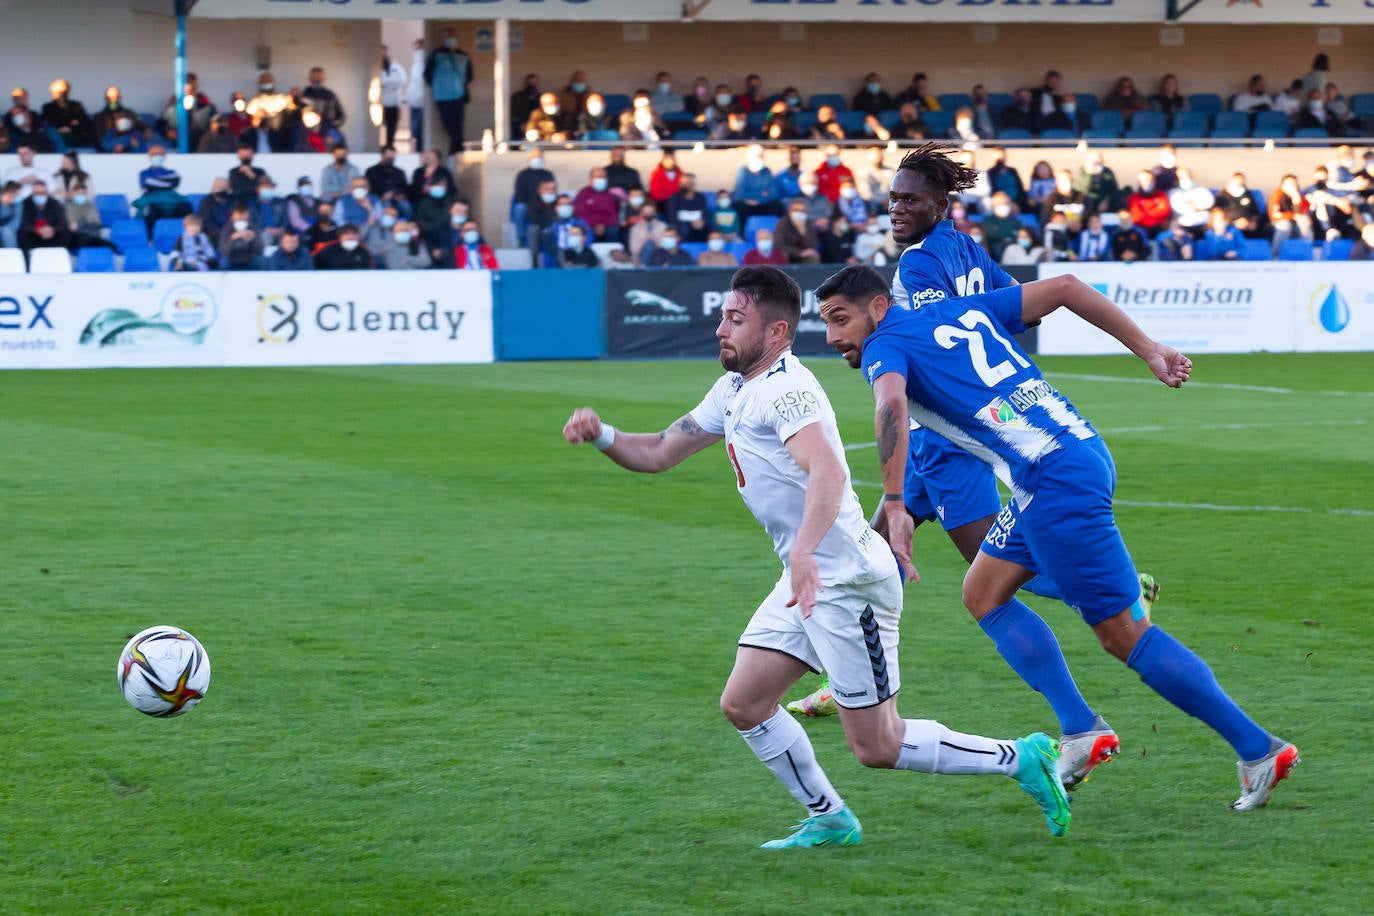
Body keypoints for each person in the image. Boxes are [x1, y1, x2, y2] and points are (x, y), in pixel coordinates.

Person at [563, 265, 1072, 847]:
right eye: (722, 317)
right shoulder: (735, 387)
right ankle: (830, 818)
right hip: (810, 577)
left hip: (846, 581)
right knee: (746, 703)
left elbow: (829, 469)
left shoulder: (788, 391)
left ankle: (1022, 758)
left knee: (876, 746)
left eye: (735, 319)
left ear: (776, 331)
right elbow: (657, 450)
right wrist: (603, 434)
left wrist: (804, 552)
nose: (720, 329)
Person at [821, 257, 1301, 811]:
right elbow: (1068, 287)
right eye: (827, 324)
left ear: (879, 308)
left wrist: (899, 503)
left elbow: (892, 404)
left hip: (1053, 479)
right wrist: (1149, 348)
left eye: (841, 320)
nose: (834, 336)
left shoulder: (884, 346)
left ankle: (1257, 748)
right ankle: (1080, 728)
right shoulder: (958, 311)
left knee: (1124, 635)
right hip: (1071, 456)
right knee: (983, 592)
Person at [797, 148, 1148, 792]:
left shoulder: (920, 262)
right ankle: (838, 680)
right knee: (870, 551)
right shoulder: (964, 247)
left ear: (941, 203)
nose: (898, 208)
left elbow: (942, 333)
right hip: (951, 427)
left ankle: (1103, 607)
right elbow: (1001, 315)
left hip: (944, 439)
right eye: (894, 198)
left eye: (910, 199)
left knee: (985, 581)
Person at [425, 28, 474, 154]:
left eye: (452, 36)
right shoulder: (436, 54)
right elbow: (427, 75)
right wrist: (439, 86)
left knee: (458, 127)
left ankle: (456, 152)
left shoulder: (463, 55)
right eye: (448, 36)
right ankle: (456, 151)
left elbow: (469, 76)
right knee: (448, 125)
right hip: (442, 96)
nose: (450, 39)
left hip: (459, 95)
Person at [42, 79, 95, 151]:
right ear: (53, 93)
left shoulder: (76, 105)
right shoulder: (48, 107)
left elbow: (84, 122)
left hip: (75, 135)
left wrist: (70, 128)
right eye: (59, 92)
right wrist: (63, 128)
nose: (62, 95)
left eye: (64, 92)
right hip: (57, 135)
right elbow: (49, 122)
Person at [19, 181, 69, 253]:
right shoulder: (25, 203)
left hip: (51, 233)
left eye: (43, 193)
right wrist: (37, 230)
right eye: (37, 193)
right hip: (33, 233)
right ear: (32, 193)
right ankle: (27, 260)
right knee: (22, 235)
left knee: (65, 233)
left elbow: (62, 221)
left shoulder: (55, 203)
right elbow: (22, 222)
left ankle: (60, 257)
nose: (40, 195)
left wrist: (52, 230)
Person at [378, 48, 408, 149]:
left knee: (392, 125)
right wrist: (390, 83)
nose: (384, 57)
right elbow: (379, 82)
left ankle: (389, 145)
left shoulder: (397, 68)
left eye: (386, 55)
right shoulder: (377, 67)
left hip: (394, 102)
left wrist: (387, 84)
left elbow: (402, 81)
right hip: (379, 103)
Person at [218, 204, 263, 270]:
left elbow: (260, 251)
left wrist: (252, 240)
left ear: (248, 217)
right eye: (238, 218)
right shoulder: (226, 228)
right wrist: (233, 239)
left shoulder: (253, 227)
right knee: (223, 262)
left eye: (243, 218)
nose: (240, 220)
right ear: (232, 217)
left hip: (249, 258)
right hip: (232, 259)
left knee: (262, 260)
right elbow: (223, 252)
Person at [405, 38, 428, 151]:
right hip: (415, 99)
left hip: (420, 99)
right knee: (415, 128)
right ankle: (418, 147)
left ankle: (419, 149)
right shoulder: (417, 63)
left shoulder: (421, 62)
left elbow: (418, 80)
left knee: (418, 128)